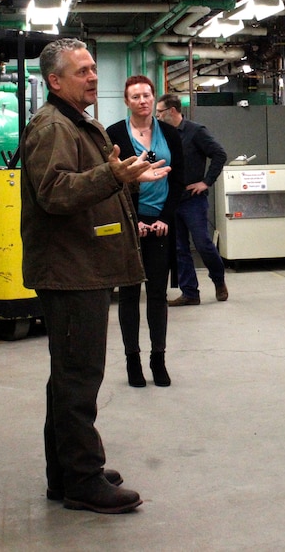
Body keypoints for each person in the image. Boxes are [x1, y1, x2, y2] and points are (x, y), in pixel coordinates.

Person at [20, 38, 165, 514]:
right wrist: (114, 177)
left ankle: (66, 473)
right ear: (55, 81)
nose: (93, 76)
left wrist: (127, 175)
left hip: (80, 265)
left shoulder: (75, 121)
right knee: (79, 377)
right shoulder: (52, 127)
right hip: (70, 270)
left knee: (68, 376)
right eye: (81, 71)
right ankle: (82, 480)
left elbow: (93, 176)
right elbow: (55, 192)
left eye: (92, 69)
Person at [107, 76, 185, 387]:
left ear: (154, 99)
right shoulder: (114, 134)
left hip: (162, 225)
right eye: (136, 96)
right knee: (128, 296)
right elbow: (112, 183)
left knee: (157, 295)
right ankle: (133, 362)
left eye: (147, 95)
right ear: (127, 102)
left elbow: (177, 180)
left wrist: (165, 217)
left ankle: (158, 359)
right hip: (130, 225)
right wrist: (135, 219)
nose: (143, 100)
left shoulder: (169, 134)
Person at [156, 93, 229, 306]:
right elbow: (153, 156)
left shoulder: (196, 132)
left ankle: (218, 280)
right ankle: (190, 293)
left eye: (160, 112)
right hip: (170, 200)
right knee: (179, 248)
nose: (157, 116)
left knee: (203, 244)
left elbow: (219, 154)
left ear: (172, 111)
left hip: (192, 200)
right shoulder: (160, 134)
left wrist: (206, 182)